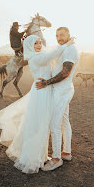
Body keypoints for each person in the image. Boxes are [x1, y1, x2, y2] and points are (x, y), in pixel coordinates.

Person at [0, 34, 75, 174]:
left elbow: (51, 55)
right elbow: (52, 54)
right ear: (30, 46)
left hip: (45, 90)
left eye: (40, 42)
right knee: (39, 125)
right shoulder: (35, 58)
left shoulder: (39, 55)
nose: (39, 45)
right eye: (35, 43)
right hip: (42, 93)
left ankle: (41, 156)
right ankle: (33, 158)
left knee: (43, 124)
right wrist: (67, 44)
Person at [36, 27, 79, 171]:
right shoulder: (65, 48)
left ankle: (56, 159)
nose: (58, 37)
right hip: (63, 90)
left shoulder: (71, 50)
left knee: (54, 124)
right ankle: (66, 152)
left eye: (61, 35)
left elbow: (65, 72)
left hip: (62, 91)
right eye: (56, 35)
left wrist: (46, 82)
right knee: (64, 121)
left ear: (68, 35)